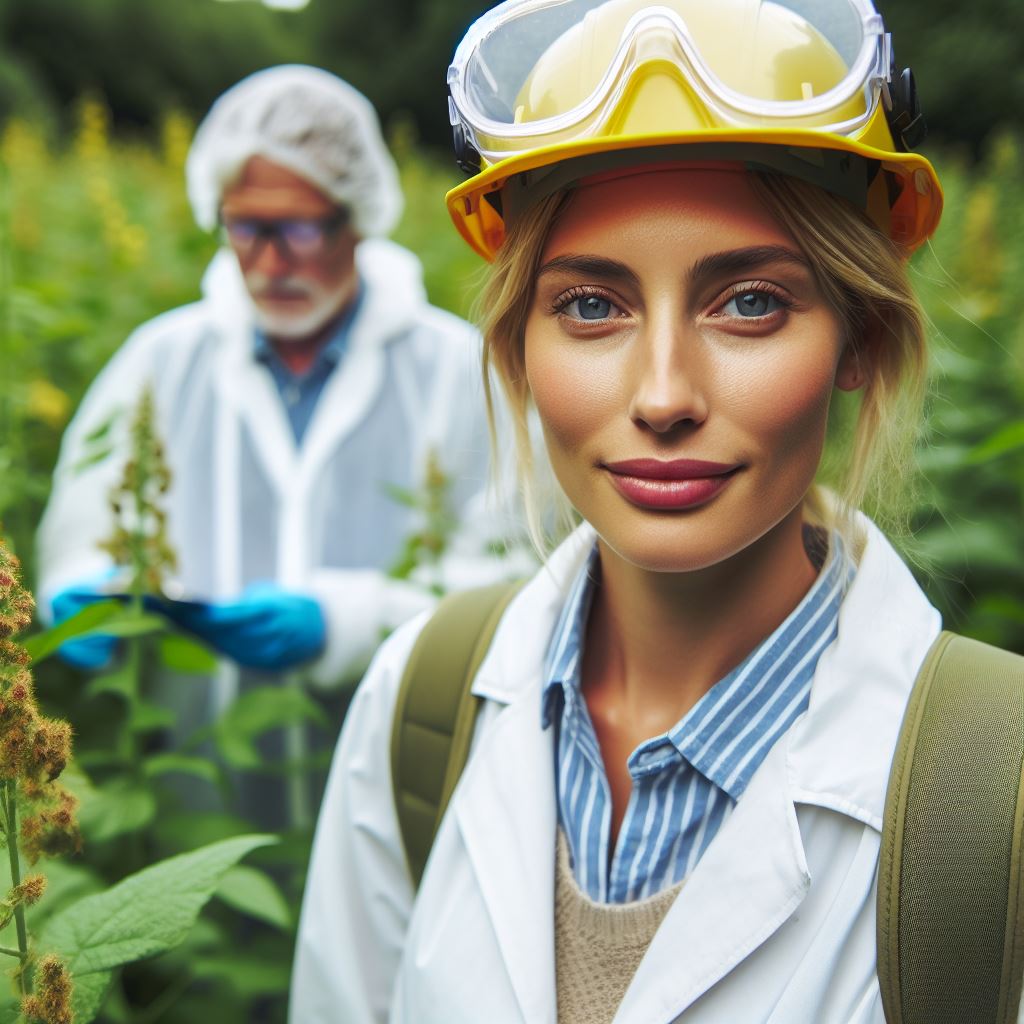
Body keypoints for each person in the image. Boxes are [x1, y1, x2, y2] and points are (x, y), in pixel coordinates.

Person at [289, 1, 1000, 1022]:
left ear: (859, 337)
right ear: (516, 348)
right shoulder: (418, 710)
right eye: (590, 305)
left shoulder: (994, 795)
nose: (664, 393)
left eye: (749, 301)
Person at [36, 65, 515, 829]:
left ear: (357, 217)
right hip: (192, 805)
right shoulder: (159, 363)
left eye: (299, 229)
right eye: (246, 228)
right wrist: (86, 589)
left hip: (399, 798)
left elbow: (514, 578)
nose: (268, 261)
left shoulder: (459, 373)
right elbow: (84, 516)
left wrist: (350, 620)